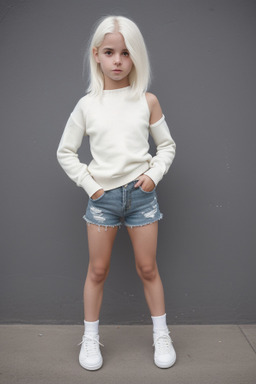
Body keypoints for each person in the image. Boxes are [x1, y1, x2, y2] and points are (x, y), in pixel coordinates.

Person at [57, 15, 176, 371]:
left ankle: (161, 334)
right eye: (110, 52)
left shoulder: (146, 100)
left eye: (126, 53)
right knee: (97, 270)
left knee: (148, 268)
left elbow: (166, 146)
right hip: (103, 201)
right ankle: (90, 338)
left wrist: (153, 176)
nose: (118, 61)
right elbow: (65, 152)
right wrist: (91, 186)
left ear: (135, 56)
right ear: (96, 55)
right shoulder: (87, 105)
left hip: (141, 198)